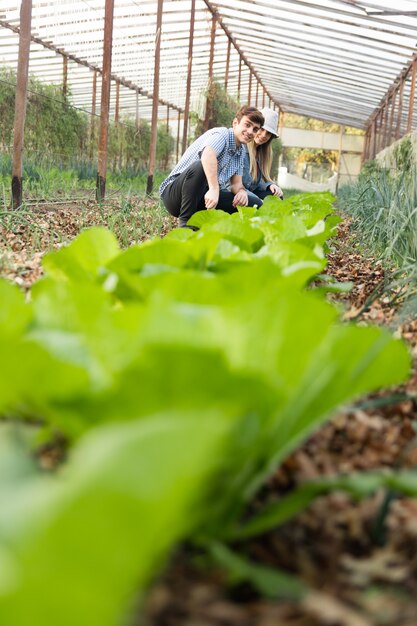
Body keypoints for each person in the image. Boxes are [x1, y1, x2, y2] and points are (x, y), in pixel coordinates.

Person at [159, 105, 265, 227]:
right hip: (175, 195)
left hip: (203, 197)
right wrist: (214, 188)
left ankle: (221, 226)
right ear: (235, 123)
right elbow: (208, 154)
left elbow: (236, 183)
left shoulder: (240, 151)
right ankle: (185, 223)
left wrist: (241, 192)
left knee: (253, 203)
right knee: (200, 166)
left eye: (255, 129)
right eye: (247, 125)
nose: (251, 131)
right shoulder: (221, 135)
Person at [241, 107, 284, 206]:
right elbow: (239, 186)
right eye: (262, 129)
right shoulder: (242, 148)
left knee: (276, 196)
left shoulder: (261, 153)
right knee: (257, 203)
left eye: (269, 133)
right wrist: (258, 200)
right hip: (237, 193)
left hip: (248, 193)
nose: (264, 135)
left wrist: (270, 185)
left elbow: (256, 183)